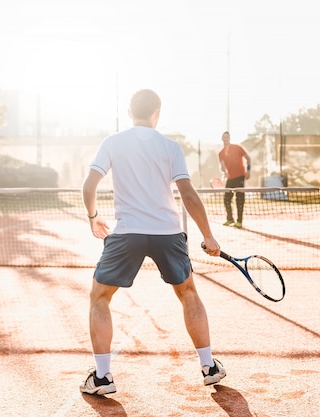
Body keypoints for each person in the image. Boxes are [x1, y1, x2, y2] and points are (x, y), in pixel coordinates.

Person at [80, 89, 225, 395]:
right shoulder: (170, 147)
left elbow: (89, 184)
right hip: (167, 232)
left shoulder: (112, 142)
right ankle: (209, 366)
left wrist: (93, 216)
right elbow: (187, 194)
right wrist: (208, 235)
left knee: (100, 297)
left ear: (129, 112)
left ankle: (103, 377)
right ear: (157, 113)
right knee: (188, 293)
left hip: (127, 232)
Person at [217, 131, 251, 229]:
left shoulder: (237, 148)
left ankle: (239, 221)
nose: (226, 139)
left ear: (229, 138)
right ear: (222, 139)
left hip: (240, 176)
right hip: (230, 178)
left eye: (227, 137)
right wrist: (224, 172)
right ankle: (230, 219)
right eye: (224, 137)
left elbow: (248, 158)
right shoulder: (221, 153)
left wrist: (248, 170)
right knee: (226, 199)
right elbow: (223, 166)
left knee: (240, 200)